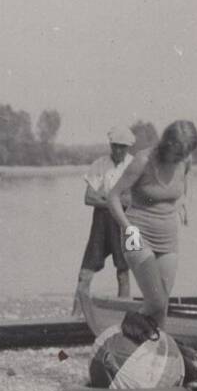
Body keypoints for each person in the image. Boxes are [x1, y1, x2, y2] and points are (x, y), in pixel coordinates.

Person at [106, 120, 197, 329]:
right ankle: (125, 332)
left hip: (168, 237)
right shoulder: (143, 161)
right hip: (136, 235)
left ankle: (154, 350)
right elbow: (112, 197)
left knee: (162, 304)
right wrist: (128, 228)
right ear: (167, 145)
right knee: (155, 301)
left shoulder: (185, 160)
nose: (179, 160)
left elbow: (187, 178)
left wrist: (185, 200)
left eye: (183, 156)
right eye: (176, 155)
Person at [73, 125, 134, 319]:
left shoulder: (133, 166)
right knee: (85, 273)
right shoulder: (99, 164)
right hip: (100, 224)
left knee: (123, 273)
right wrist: (115, 199)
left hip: (123, 223)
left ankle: (124, 318)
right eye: (115, 146)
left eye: (122, 147)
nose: (118, 150)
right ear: (110, 145)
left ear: (128, 147)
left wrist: (107, 197)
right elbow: (89, 198)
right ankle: (74, 317)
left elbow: (133, 200)